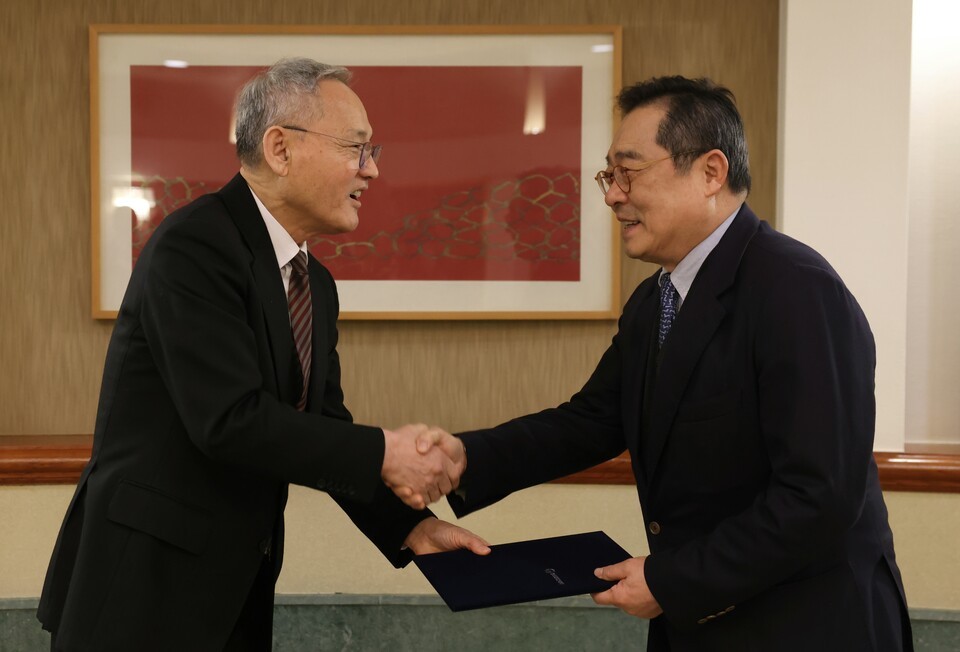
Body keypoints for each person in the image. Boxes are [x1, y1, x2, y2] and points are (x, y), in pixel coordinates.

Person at [436, 76, 913, 651]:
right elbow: (590, 421)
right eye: (608, 177)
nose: (612, 195)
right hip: (704, 623)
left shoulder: (797, 291)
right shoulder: (655, 301)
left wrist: (670, 580)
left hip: (809, 626)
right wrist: (461, 458)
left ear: (711, 172)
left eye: (628, 173)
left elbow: (821, 495)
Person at [37, 58, 487, 652]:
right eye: (357, 148)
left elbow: (321, 424)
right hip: (142, 590)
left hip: (234, 594)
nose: (371, 169)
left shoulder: (314, 282)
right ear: (280, 147)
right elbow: (228, 420)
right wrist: (387, 451)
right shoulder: (194, 246)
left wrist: (411, 527)